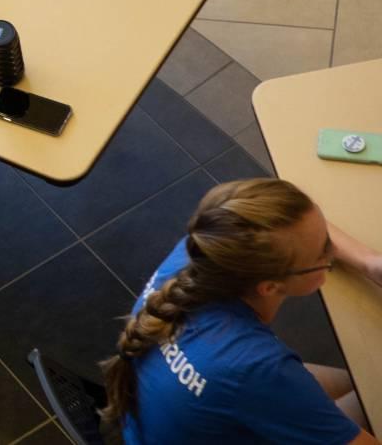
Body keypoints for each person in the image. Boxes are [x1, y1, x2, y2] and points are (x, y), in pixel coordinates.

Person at [105, 176, 380, 444]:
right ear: (270, 287)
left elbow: (299, 232)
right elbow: (256, 378)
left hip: (172, 420)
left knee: (367, 383)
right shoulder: (255, 367)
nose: (332, 252)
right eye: (324, 254)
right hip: (231, 395)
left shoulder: (208, 248)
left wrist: (370, 262)